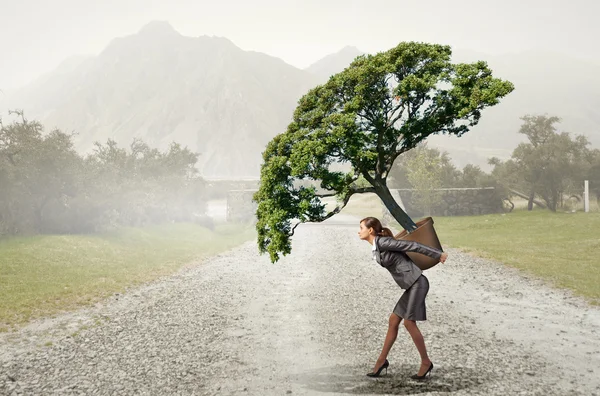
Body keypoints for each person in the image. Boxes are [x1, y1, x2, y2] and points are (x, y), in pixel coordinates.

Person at [358, 217, 448, 380]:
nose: (359, 231)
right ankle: (381, 361)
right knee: (394, 320)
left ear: (370, 230)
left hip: (417, 283)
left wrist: (438, 254)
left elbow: (412, 245)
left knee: (408, 322)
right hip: (411, 285)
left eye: (361, 228)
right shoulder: (377, 246)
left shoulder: (383, 243)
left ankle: (426, 362)